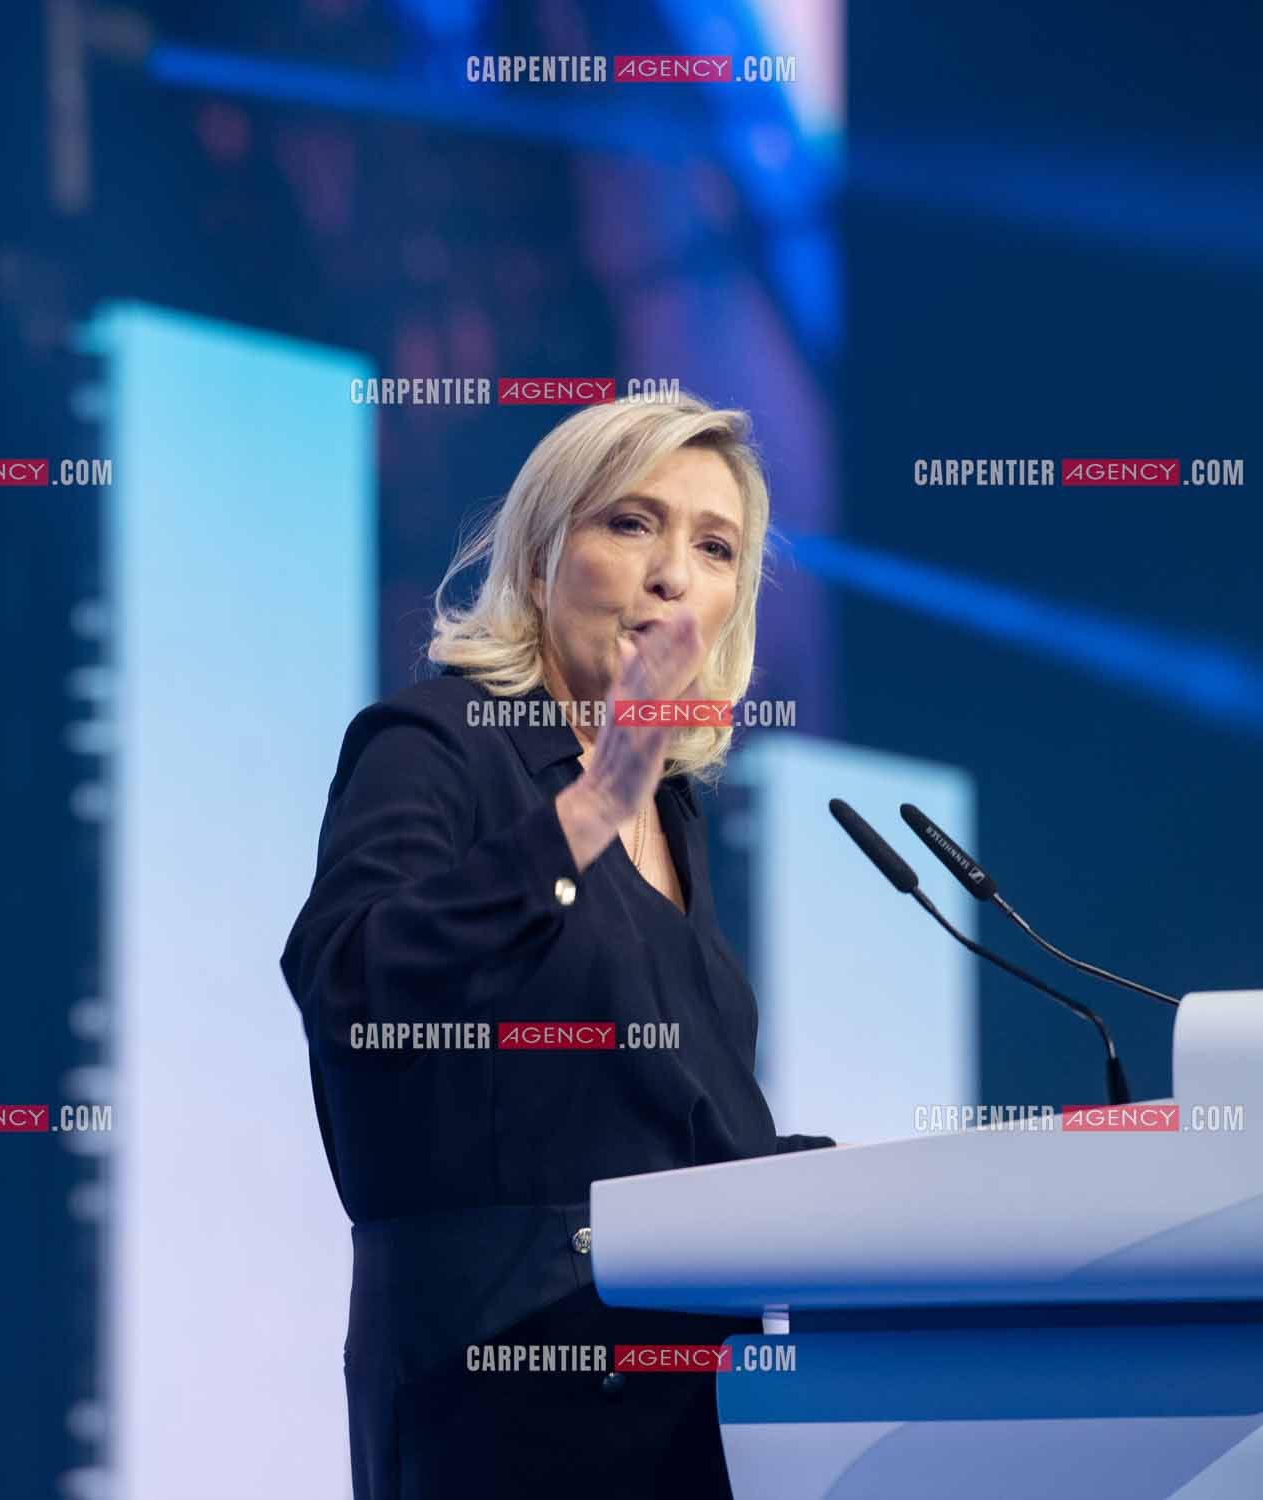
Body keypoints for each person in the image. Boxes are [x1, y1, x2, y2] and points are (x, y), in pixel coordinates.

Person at [281, 395, 833, 1499]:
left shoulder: (675, 817)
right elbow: (350, 977)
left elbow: (646, 1114)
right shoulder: (436, 741)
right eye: (632, 524)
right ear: (541, 561)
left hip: (686, 1396)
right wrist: (586, 808)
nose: (673, 573)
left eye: (715, 547)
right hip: (498, 1392)